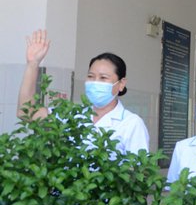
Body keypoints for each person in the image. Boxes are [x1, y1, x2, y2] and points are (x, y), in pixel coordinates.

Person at [17, 29, 149, 155]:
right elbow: (27, 113)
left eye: (103, 78)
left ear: (121, 84)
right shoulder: (73, 115)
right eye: (91, 76)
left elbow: (138, 172)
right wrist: (32, 64)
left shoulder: (131, 123)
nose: (95, 82)